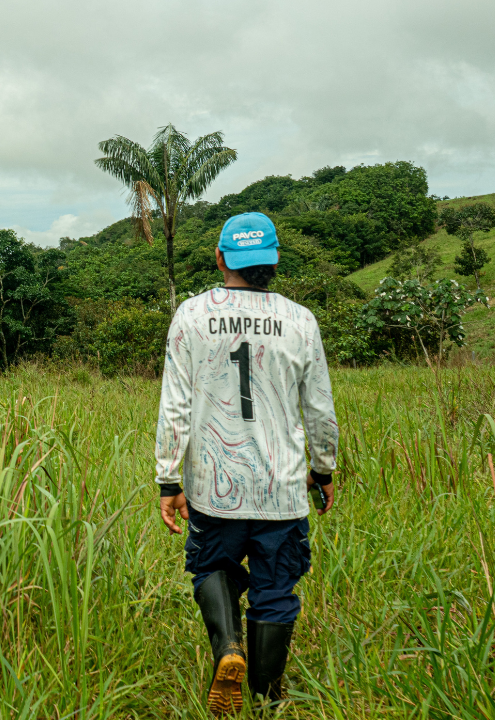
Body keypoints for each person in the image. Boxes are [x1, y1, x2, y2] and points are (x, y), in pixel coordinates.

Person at [154, 212, 339, 715]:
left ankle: (228, 647)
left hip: (214, 484)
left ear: (220, 258)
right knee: (276, 586)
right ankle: (264, 695)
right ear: (274, 260)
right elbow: (320, 408)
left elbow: (175, 404)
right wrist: (322, 470)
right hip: (281, 489)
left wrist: (169, 477)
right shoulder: (301, 320)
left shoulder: (191, 315)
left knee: (211, 565)